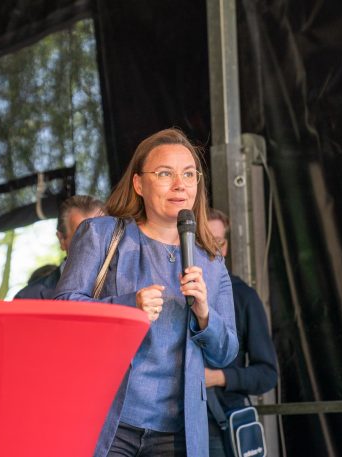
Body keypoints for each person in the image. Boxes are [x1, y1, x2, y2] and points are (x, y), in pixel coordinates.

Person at [55, 128, 239, 456]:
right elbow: (64, 312)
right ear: (139, 184)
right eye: (165, 173)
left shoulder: (211, 261)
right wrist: (128, 307)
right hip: (108, 423)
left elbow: (226, 353)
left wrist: (204, 313)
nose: (180, 185)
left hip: (177, 433)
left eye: (188, 174)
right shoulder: (101, 235)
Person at [204, 209, 278, 457]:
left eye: (219, 242)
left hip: (221, 423)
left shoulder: (244, 297)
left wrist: (218, 378)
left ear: (225, 248)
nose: (212, 248)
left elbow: (267, 375)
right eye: (203, 239)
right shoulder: (172, 292)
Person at [14, 194, 104, 299]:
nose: (96, 243)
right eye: (83, 235)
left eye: (103, 232)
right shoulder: (28, 299)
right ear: (62, 240)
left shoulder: (126, 290)